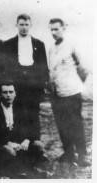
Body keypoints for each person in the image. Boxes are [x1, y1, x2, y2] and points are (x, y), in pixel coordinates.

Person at [0, 80, 49, 178]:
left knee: (38, 145)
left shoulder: (21, 108)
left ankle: (37, 170)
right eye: (5, 92)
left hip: (21, 142)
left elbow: (31, 127)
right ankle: (20, 173)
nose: (8, 95)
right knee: (9, 151)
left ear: (15, 94)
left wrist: (26, 140)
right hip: (2, 145)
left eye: (11, 92)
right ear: (0, 94)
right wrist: (9, 143)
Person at [48, 18, 91, 167]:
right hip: (57, 94)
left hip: (72, 92)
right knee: (62, 124)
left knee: (75, 124)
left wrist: (75, 84)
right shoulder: (51, 48)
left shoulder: (71, 45)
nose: (54, 32)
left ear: (63, 28)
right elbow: (52, 71)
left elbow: (83, 68)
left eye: (56, 29)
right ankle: (68, 153)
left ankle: (82, 155)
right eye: (51, 30)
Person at [3, 14, 49, 142]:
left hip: (33, 85)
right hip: (16, 84)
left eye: (26, 25)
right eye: (21, 25)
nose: (24, 27)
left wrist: (42, 86)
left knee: (33, 115)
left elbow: (43, 67)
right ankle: (18, 143)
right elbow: (6, 67)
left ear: (30, 26)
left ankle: (35, 145)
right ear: (16, 25)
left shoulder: (39, 44)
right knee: (17, 113)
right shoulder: (8, 44)